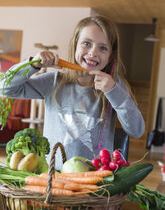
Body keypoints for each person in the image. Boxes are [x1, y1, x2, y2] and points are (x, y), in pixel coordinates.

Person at [0, 16, 145, 170]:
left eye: (103, 48)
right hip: (53, 176)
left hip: (96, 181)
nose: (92, 53)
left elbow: (137, 130)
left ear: (111, 56)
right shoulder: (54, 81)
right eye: (87, 43)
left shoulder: (115, 86)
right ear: (75, 44)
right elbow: (5, 87)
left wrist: (114, 91)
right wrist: (32, 64)